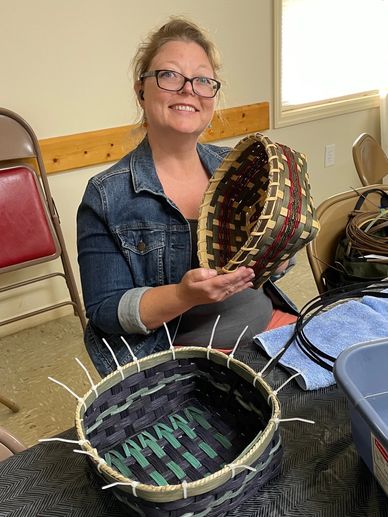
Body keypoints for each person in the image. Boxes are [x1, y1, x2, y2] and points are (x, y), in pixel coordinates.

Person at [77, 16, 297, 377]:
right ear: (141, 90)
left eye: (202, 80)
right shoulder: (107, 195)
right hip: (183, 363)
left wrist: (280, 252)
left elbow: (270, 260)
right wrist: (184, 296)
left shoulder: (238, 165)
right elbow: (106, 309)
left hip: (267, 327)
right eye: (169, 75)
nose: (188, 89)